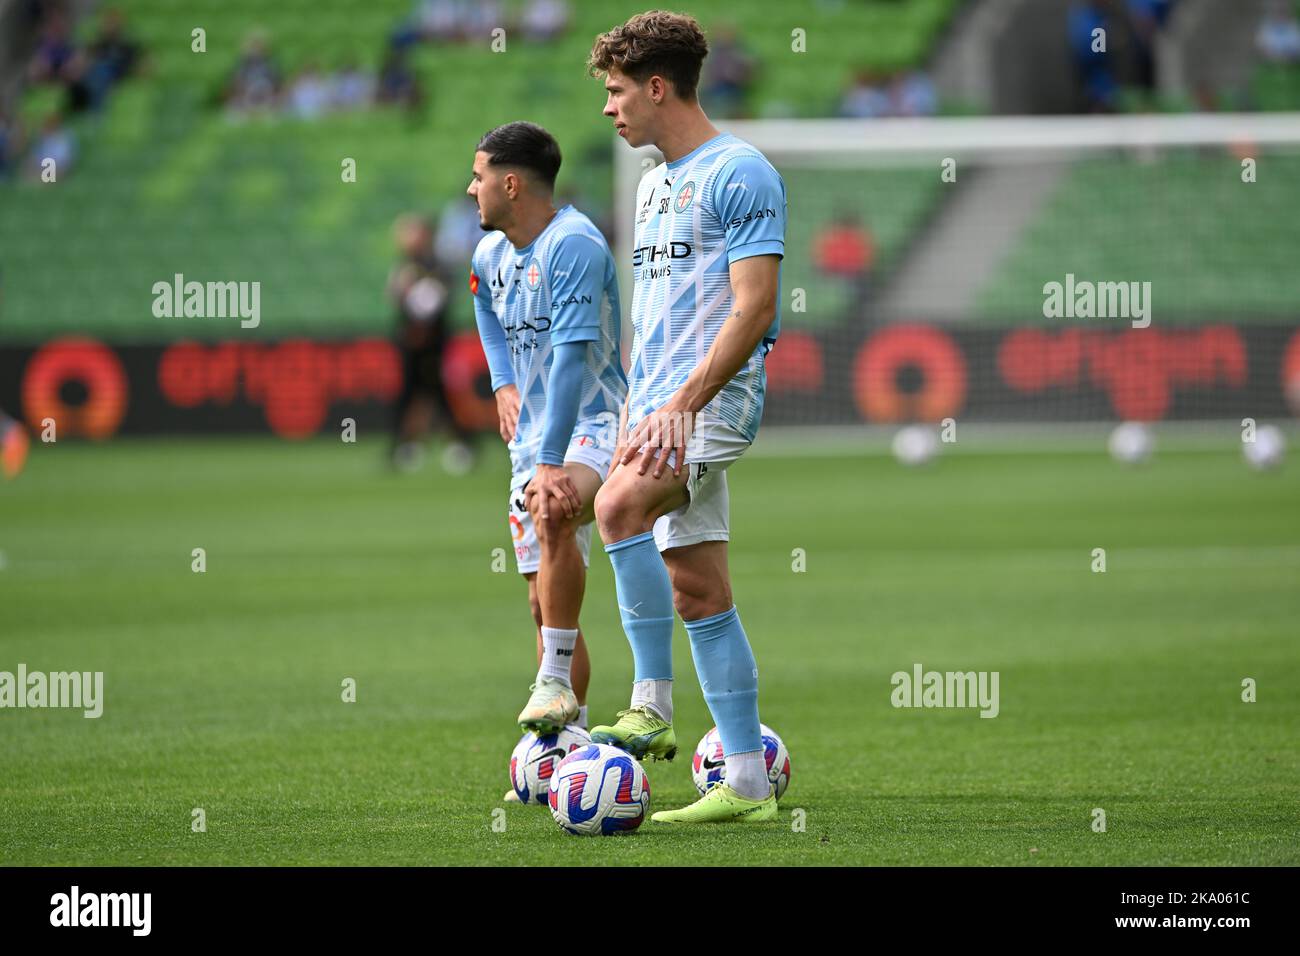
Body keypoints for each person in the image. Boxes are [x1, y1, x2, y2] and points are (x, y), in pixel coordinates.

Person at [587, 10, 786, 824]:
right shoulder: (653, 182)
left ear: (657, 87)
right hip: (658, 408)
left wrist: (679, 406)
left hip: (709, 405)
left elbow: (754, 308)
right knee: (699, 590)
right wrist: (638, 406)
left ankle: (652, 704)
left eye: (617, 90)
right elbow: (658, 316)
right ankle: (745, 781)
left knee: (615, 507)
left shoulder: (742, 172)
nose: (609, 108)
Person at [467, 123, 627, 755]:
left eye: (478, 176)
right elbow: (481, 304)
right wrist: (502, 382)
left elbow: (570, 361)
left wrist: (552, 461)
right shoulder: (489, 254)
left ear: (510, 183)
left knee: (553, 506)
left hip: (596, 422)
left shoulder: (575, 245)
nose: (470, 188)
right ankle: (573, 742)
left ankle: (555, 682)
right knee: (542, 605)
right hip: (530, 437)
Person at [387, 214, 476, 474]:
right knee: (410, 392)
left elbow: (434, 301)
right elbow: (398, 298)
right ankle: (404, 444)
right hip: (409, 341)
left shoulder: (435, 265)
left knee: (439, 391)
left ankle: (460, 443)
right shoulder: (406, 266)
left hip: (433, 341)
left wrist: (422, 326)